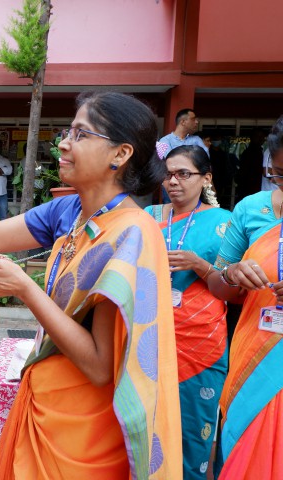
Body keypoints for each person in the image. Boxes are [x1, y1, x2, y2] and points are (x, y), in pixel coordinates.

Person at [0, 91, 183, 478]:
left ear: (120, 154)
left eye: (82, 135)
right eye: (69, 132)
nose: (64, 143)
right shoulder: (69, 210)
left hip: (84, 431)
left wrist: (25, 288)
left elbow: (99, 367)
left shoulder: (132, 233)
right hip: (45, 402)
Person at [145, 145, 230, 479]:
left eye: (183, 174)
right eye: (167, 174)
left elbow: (235, 286)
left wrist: (199, 264)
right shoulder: (149, 216)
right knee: (145, 428)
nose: (173, 182)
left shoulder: (224, 223)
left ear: (206, 178)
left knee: (194, 431)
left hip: (200, 341)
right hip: (149, 334)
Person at [208, 115, 283, 479]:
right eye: (280, 174)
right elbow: (217, 285)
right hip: (253, 352)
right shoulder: (251, 209)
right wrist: (232, 273)